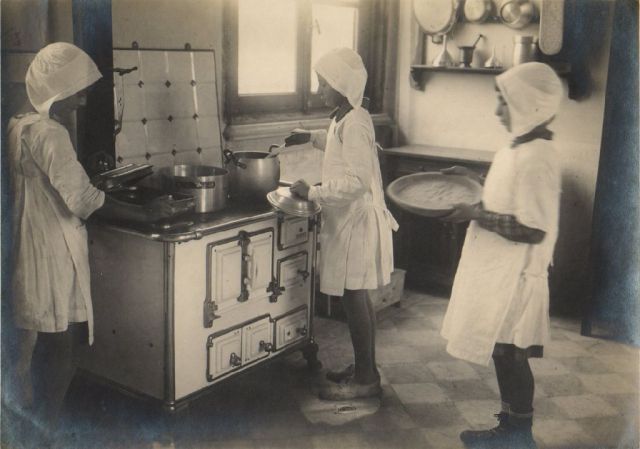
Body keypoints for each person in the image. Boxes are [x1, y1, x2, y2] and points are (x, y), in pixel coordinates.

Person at [6, 42, 175, 437]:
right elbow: (82, 201)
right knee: (61, 349)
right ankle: (42, 433)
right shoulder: (51, 132)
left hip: (31, 242)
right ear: (58, 90)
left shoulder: (19, 124)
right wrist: (146, 213)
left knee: (40, 341)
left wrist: (88, 178)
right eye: (77, 92)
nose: (82, 101)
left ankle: (34, 428)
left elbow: (52, 182)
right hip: (53, 249)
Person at [439, 62, 565, 449]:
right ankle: (508, 428)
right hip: (499, 273)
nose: (497, 111)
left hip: (517, 278)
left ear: (527, 102)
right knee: (502, 351)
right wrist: (474, 180)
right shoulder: (519, 147)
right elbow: (508, 196)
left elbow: (533, 228)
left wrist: (475, 214)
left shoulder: (538, 156)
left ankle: (519, 435)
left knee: (512, 356)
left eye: (503, 101)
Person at [286, 48, 398, 401]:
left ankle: (366, 378)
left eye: (323, 83)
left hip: (357, 224)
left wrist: (313, 192)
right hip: (351, 221)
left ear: (340, 84)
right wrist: (310, 136)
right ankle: (366, 368)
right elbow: (338, 145)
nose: (318, 90)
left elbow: (357, 182)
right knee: (357, 297)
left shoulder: (357, 122)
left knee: (355, 298)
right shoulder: (345, 117)